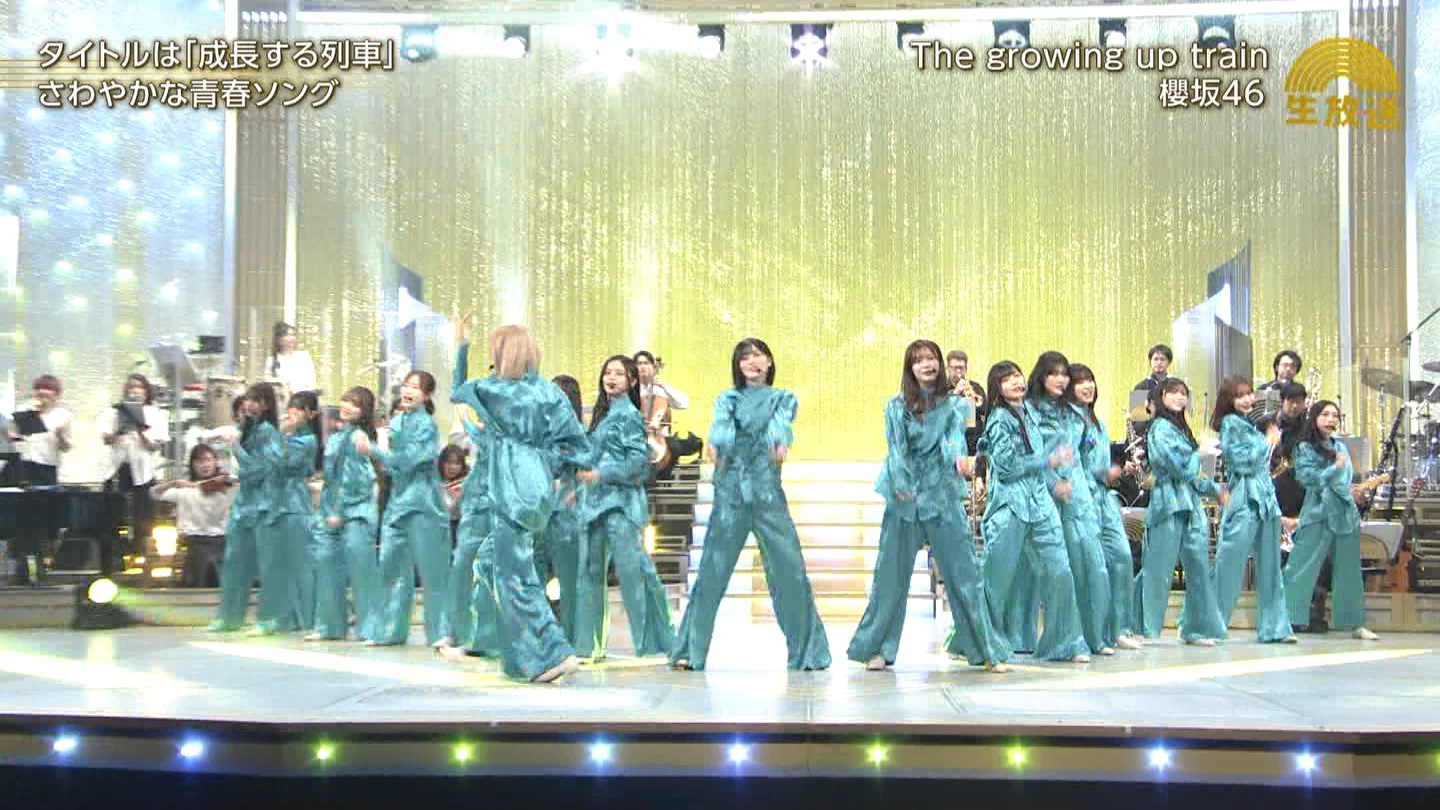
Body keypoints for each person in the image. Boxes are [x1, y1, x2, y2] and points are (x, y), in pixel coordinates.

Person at [846, 340, 1010, 672]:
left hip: (943, 495)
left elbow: (955, 439)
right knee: (890, 576)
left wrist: (958, 459)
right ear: (910, 367)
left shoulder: (955, 405)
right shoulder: (895, 406)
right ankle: (876, 648)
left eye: (932, 358)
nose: (927, 364)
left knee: (965, 573)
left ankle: (984, 649)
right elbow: (896, 449)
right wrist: (902, 485)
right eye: (919, 360)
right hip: (904, 497)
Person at [444, 313, 590, 683]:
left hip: (511, 487)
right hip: (536, 485)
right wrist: (553, 471)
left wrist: (461, 345)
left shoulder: (497, 390)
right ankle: (518, 656)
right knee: (493, 562)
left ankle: (554, 651)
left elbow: (457, 391)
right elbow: (578, 445)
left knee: (515, 577)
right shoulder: (550, 392)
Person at [670, 338, 831, 672]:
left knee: (790, 570)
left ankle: (808, 652)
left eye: (758, 355)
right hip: (730, 495)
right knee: (712, 572)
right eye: (745, 357)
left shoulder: (783, 398)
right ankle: (689, 650)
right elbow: (721, 424)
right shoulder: (727, 399)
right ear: (738, 365)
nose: (752, 361)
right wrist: (717, 444)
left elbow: (780, 424)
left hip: (767, 495)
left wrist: (778, 442)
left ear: (769, 362)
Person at [977, 360, 1090, 663]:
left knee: (1060, 570)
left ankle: (1066, 643)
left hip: (1040, 504)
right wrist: (1046, 461)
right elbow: (1007, 467)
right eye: (1007, 379)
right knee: (995, 578)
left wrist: (1054, 468)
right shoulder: (998, 420)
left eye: (1017, 375)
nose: (1016, 381)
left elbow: (1045, 452)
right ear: (997, 388)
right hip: (1009, 507)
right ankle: (980, 642)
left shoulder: (1029, 411)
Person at [572, 355, 675, 660]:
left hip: (620, 504)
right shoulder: (603, 416)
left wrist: (601, 473)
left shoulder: (629, 415)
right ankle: (588, 645)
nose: (611, 377)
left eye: (619, 373)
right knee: (590, 571)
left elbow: (637, 463)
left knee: (634, 573)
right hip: (594, 503)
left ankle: (654, 642)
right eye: (607, 372)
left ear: (631, 381)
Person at [1135, 378, 1228, 645]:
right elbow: (1176, 466)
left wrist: (1215, 489)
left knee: (1198, 566)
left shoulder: (1181, 429)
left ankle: (1197, 627)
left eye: (1183, 393)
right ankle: (1144, 627)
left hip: (1190, 504)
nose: (1179, 397)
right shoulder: (1159, 428)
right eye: (1173, 392)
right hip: (1167, 504)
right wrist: (1199, 453)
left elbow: (1192, 475)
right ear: (1161, 396)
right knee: (1158, 569)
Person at [1281, 400, 1379, 641]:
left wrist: (1352, 491)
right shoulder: (1304, 447)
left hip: (1344, 513)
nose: (1331, 419)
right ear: (1314, 417)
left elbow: (1345, 479)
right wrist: (1334, 468)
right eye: (1325, 414)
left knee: (1349, 570)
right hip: (1317, 512)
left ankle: (1354, 622)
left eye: (1335, 415)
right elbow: (1309, 479)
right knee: (1301, 566)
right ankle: (1286, 621)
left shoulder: (1340, 446)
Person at [367, 371, 451, 647]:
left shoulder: (427, 425)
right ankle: (389, 630)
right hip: (398, 502)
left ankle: (440, 632)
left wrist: (375, 452)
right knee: (390, 565)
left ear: (426, 395)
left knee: (432, 570)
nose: (408, 391)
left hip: (423, 503)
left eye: (415, 387)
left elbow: (411, 460)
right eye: (406, 385)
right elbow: (396, 465)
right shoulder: (397, 422)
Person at [1210, 377, 1297, 643]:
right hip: (1245, 498)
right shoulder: (1230, 424)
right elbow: (1242, 462)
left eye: (1249, 394)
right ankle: (1209, 623)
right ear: (1229, 400)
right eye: (1240, 395)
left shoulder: (1248, 423)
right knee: (1229, 561)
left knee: (1270, 566)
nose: (1248, 399)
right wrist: (1267, 442)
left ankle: (1276, 627)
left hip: (1265, 498)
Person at [1066, 365, 1142, 650]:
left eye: (1091, 381)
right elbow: (1072, 465)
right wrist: (1101, 473)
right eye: (1081, 382)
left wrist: (1113, 471)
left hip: (1104, 499)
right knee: (1092, 568)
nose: (1088, 386)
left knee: (1122, 556)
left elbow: (1100, 462)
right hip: (1081, 499)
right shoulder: (1068, 422)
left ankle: (1121, 628)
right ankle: (1094, 634)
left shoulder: (1097, 422)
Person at [309, 387, 382, 642]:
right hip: (331, 510)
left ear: (364, 412)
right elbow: (331, 479)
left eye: (355, 404)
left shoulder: (358, 437)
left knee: (361, 569)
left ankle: (371, 627)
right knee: (326, 563)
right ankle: (329, 626)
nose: (347, 406)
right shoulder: (336, 438)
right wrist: (327, 509)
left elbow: (358, 480)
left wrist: (341, 511)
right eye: (345, 400)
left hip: (356, 511)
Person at [209, 384, 282, 632]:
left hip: (262, 505)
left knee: (265, 565)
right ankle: (229, 617)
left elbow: (260, 469)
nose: (248, 404)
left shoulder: (269, 432)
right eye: (248, 399)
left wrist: (236, 449)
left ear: (266, 405)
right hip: (243, 504)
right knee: (234, 562)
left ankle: (268, 619)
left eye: (255, 400)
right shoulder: (247, 430)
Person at [97, 373, 169, 553]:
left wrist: (139, 428)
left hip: (143, 470)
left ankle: (140, 552)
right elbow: (106, 438)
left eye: (140, 387)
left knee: (143, 517)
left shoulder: (154, 413)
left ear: (146, 391)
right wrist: (118, 431)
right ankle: (115, 553)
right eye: (131, 387)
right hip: (117, 468)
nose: (135, 391)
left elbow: (154, 446)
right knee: (112, 514)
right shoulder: (114, 411)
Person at [152, 444, 234, 589]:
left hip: (221, 542)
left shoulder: (224, 487)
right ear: (193, 464)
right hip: (196, 543)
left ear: (215, 462)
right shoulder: (186, 491)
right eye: (200, 461)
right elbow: (154, 493)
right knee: (200, 569)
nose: (205, 465)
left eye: (209, 460)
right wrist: (174, 483)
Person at [12, 375, 72, 485]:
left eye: (47, 389)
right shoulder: (23, 409)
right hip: (24, 463)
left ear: (56, 394)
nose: (42, 392)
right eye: (38, 389)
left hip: (47, 465)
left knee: (46, 494)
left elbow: (66, 448)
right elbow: (14, 437)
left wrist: (60, 436)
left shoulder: (63, 415)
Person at [269, 321, 318, 395]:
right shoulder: (271, 361)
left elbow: (311, 383)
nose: (291, 338)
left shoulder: (303, 357)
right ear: (279, 339)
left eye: (292, 335)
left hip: (302, 398)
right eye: (287, 335)